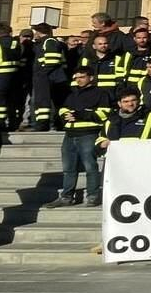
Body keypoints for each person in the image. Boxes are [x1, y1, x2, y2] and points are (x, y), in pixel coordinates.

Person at [44, 69, 111, 208]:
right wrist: (64, 115)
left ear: (91, 77)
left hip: (88, 134)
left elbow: (104, 114)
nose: (79, 79)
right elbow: (63, 109)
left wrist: (79, 115)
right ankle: (66, 197)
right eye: (76, 77)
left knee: (90, 166)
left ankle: (92, 196)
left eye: (82, 77)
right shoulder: (72, 94)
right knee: (68, 168)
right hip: (69, 135)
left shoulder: (101, 93)